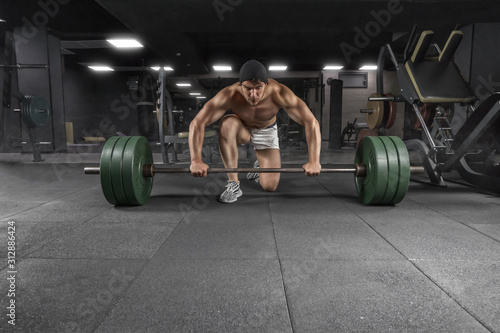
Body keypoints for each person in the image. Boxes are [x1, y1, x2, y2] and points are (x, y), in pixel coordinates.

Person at [189, 59, 322, 203]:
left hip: (266, 131)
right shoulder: (229, 95)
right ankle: (234, 184)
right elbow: (197, 122)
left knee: (270, 186)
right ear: (241, 85)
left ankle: (258, 167)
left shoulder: (279, 93)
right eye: (247, 88)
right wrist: (196, 160)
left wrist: (314, 160)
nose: (253, 94)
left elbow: (311, 121)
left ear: (266, 84)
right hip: (242, 129)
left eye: (258, 87)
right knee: (227, 123)